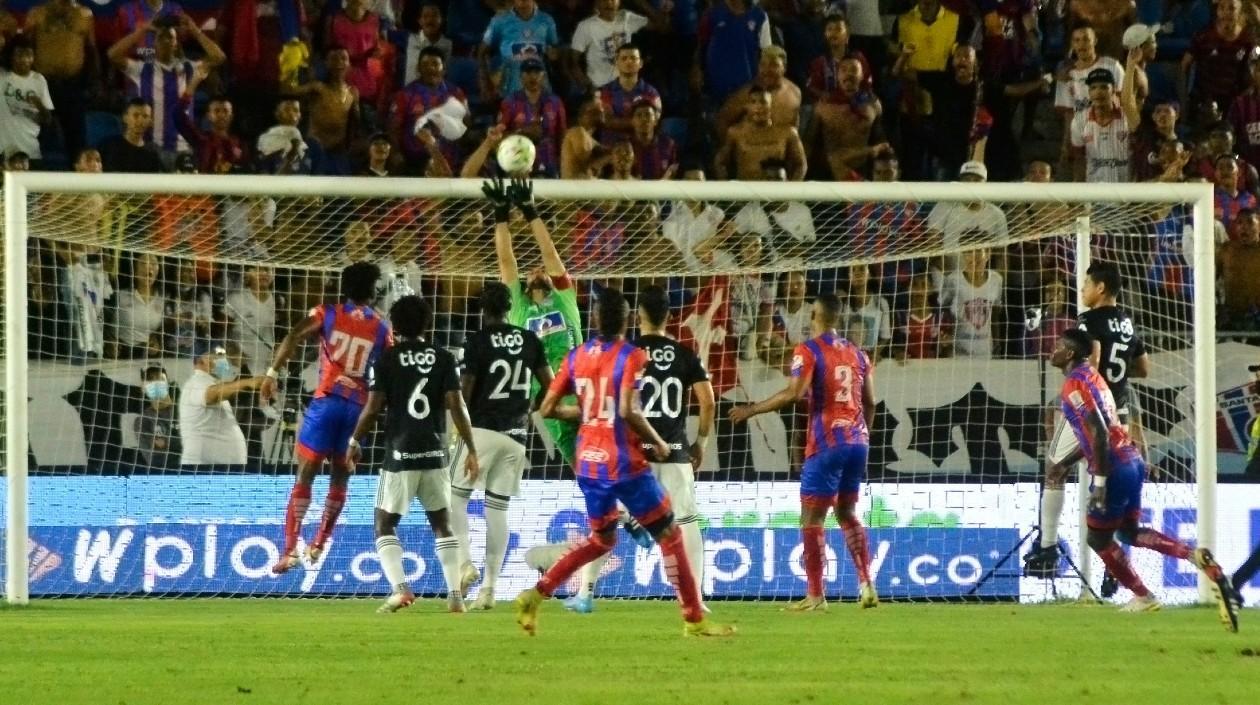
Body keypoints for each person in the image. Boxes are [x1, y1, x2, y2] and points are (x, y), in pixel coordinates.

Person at [513, 289, 735, 638]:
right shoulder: (632, 356)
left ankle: (536, 594)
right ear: (629, 321)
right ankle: (694, 618)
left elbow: (548, 409)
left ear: (595, 320)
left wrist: (587, 412)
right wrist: (659, 441)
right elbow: (628, 410)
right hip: (624, 462)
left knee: (601, 541)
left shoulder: (576, 356)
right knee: (671, 535)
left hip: (588, 462)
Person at [1043, 329, 1236, 630]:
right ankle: (1193, 555)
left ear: (1069, 354)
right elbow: (1097, 432)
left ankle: (1143, 596)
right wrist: (1065, 463)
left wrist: (1102, 485)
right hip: (1132, 461)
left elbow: (1099, 434)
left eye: (1057, 345)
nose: (1051, 350)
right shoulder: (1094, 377)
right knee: (1129, 533)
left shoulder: (1074, 386)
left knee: (1097, 537)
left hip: (1115, 468)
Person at [729, 293, 878, 611]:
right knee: (847, 513)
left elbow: (794, 393)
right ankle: (866, 583)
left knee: (811, 518)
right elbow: (872, 402)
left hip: (827, 442)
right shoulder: (858, 353)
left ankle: (815, 595)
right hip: (857, 441)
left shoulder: (808, 350)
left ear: (814, 314)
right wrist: (863, 433)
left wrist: (752, 410)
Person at [346, 294, 478, 614]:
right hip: (435, 453)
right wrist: (472, 448)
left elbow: (374, 408)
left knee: (383, 523)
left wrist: (353, 441)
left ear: (395, 325)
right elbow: (456, 405)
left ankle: (401, 589)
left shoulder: (386, 359)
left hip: (400, 453)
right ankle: (455, 597)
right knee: (441, 524)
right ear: (427, 324)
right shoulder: (444, 358)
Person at [263, 262, 392, 574]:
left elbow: (294, 335)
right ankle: (320, 541)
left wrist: (272, 373)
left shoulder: (327, 314)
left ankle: (291, 548)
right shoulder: (382, 328)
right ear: (372, 291)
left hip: (326, 403)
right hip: (358, 410)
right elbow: (390, 369)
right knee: (340, 476)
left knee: (305, 472)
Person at [1026, 262, 1151, 575]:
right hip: (1119, 410)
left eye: (1085, 285)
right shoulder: (1127, 322)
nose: (1081, 291)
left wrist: (1085, 388)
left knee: (1055, 469)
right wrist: (1115, 378)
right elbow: (1144, 369)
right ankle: (1115, 567)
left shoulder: (1088, 319)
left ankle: (1048, 548)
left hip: (1091, 409)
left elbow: (1091, 362)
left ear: (1100, 289)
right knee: (1114, 485)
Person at [449, 282, 553, 610]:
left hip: (480, 431)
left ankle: (466, 565)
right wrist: (529, 408)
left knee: (454, 499)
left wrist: (458, 432)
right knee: (497, 510)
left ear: (483, 308)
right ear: (510, 307)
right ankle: (490, 588)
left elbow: (465, 391)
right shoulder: (530, 340)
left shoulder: (476, 342)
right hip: (516, 437)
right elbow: (551, 386)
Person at [483, 176, 583, 470]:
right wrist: (501, 214)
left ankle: (628, 512)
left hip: (582, 388)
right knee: (582, 470)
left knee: (607, 463)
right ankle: (608, 515)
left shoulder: (565, 298)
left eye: (543, 270)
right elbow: (506, 261)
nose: (538, 270)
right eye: (533, 271)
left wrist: (529, 210)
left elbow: (549, 253)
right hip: (547, 397)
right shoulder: (519, 309)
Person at [179, 341, 263, 466]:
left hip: (217, 470)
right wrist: (248, 383)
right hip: (204, 470)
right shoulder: (196, 383)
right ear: (203, 359)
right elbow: (213, 393)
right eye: (219, 355)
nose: (224, 360)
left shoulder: (210, 382)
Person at [713, 88, 807, 181]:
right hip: (745, 190)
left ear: (772, 106)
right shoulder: (735, 133)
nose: (758, 107)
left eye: (763, 102)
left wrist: (791, 190)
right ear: (747, 107)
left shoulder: (788, 133)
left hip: (777, 190)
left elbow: (801, 164)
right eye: (753, 102)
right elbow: (720, 162)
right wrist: (727, 188)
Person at [0, 37, 53, 166]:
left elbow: (48, 120)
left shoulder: (39, 80)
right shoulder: (2, 76)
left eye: (28, 55)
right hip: (3, 149)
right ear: (11, 56)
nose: (24, 59)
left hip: (30, 149)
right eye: (19, 55)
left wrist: (39, 105)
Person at [135, 364, 180, 470]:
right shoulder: (142, 421)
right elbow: (155, 460)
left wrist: (165, 443)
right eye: (150, 379)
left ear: (167, 383)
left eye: (160, 378)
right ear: (143, 388)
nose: (155, 383)